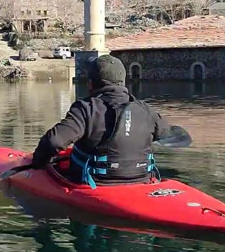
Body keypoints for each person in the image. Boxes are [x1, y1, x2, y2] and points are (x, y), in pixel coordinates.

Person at [32, 55, 169, 187]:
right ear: (123, 82)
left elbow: (54, 141)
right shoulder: (146, 110)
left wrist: (38, 162)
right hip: (143, 179)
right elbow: (166, 133)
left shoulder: (86, 109)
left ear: (90, 83)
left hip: (96, 183)